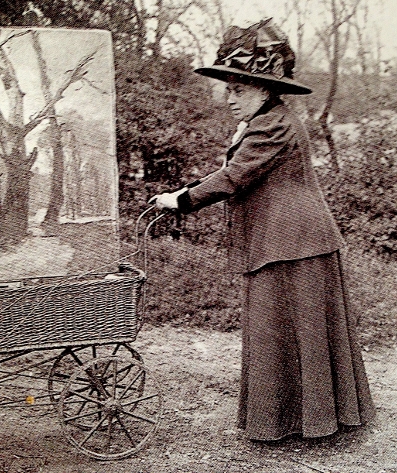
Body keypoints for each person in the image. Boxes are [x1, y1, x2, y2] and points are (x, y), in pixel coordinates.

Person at [150, 18, 375, 442]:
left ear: (265, 89)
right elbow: (236, 172)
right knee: (287, 329)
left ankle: (304, 423)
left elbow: (235, 177)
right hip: (286, 239)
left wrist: (181, 200)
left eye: (238, 90)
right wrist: (187, 190)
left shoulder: (272, 124)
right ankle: (304, 419)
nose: (229, 98)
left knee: (290, 328)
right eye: (229, 89)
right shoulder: (267, 120)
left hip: (293, 241)